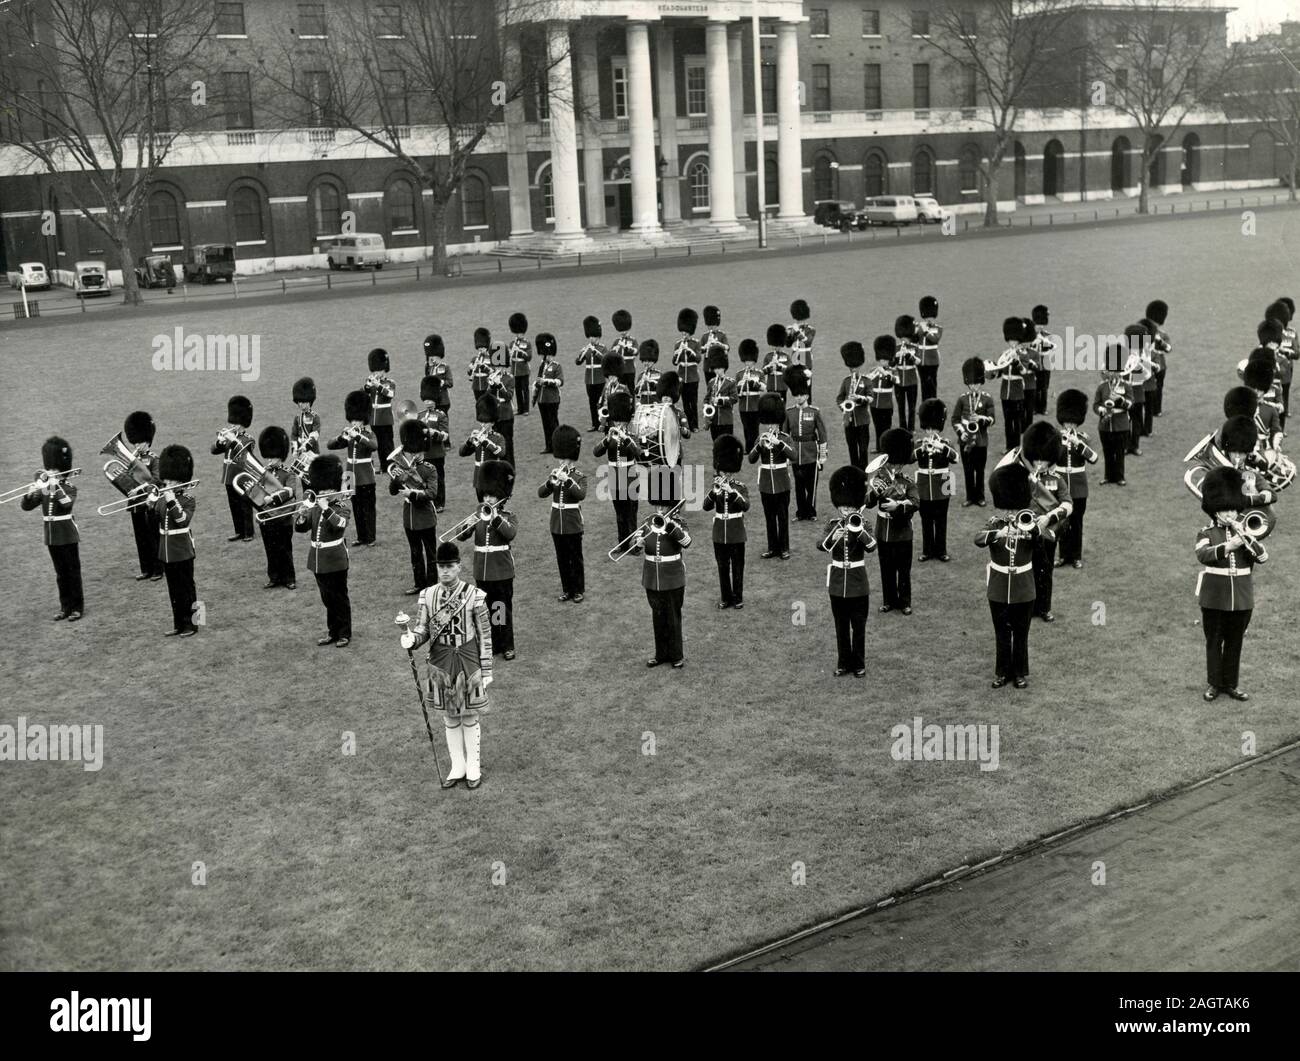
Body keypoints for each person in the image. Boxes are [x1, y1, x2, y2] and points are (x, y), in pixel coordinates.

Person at [399, 541, 494, 790]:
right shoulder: (427, 595)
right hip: (440, 661)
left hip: (468, 660)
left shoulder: (474, 594)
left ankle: (473, 767)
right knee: (450, 717)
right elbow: (423, 629)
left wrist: (487, 670)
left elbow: (484, 634)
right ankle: (457, 766)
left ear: (459, 567)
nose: (445, 571)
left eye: (450, 566)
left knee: (470, 715)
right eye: (441, 567)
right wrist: (412, 638)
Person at [1195, 466, 1265, 703]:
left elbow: (1263, 557)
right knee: (1214, 641)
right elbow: (1203, 555)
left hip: (1242, 598)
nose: (1230, 514)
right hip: (1214, 596)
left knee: (1235, 642)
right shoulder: (1206, 532)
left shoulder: (1245, 532)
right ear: (1215, 512)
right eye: (1225, 510)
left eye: (1233, 509)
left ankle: (1231, 684)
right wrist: (1228, 546)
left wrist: (1246, 539)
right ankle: (1214, 684)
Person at [996, 421, 1073, 622]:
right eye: (1036, 459)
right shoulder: (1023, 478)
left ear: (1051, 460)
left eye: (1044, 460)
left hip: (1046, 531)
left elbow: (1068, 505)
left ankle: (1044, 607)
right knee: (1027, 570)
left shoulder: (1057, 480)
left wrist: (1049, 517)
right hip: (1025, 530)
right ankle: (1028, 607)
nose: (1039, 463)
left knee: (1045, 570)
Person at [976, 463, 1038, 689]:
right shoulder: (995, 523)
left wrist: (1029, 528)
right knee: (1001, 632)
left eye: (1014, 509)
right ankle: (1002, 672)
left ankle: (1019, 673)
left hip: (1023, 587)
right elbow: (978, 538)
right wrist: (999, 533)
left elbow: (1042, 539)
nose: (1011, 513)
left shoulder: (1029, 522)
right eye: (1008, 510)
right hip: (999, 586)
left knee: (1021, 633)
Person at [455, 459, 517, 660]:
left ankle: (506, 644)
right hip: (482, 572)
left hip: (501, 572)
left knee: (501, 609)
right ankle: (493, 644)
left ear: (501, 497)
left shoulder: (508, 516)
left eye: (492, 495)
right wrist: (471, 522)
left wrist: (495, 517)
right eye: (486, 495)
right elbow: (460, 535)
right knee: (486, 610)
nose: (488, 499)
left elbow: (510, 533)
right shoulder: (478, 515)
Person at [818, 465, 876, 677]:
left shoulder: (864, 523)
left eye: (849, 508)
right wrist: (833, 537)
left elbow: (872, 547)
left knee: (858, 627)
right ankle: (843, 663)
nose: (845, 512)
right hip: (837, 583)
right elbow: (821, 546)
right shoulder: (833, 524)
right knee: (841, 627)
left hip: (858, 583)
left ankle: (859, 663)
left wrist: (858, 531)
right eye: (842, 508)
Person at [21, 436, 84, 622]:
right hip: (51, 535)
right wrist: (29, 494)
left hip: (67, 533)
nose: (50, 472)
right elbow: (26, 507)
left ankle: (77, 608)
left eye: (54, 470)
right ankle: (65, 607)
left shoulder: (69, 487)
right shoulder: (45, 488)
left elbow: (66, 504)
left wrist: (55, 487)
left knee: (72, 572)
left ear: (62, 470)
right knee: (60, 573)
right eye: (49, 469)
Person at [295, 453, 352, 647]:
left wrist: (327, 508)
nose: (325, 491)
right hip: (318, 559)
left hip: (335, 558)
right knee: (327, 598)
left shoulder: (341, 505)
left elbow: (340, 525)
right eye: (323, 488)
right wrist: (302, 516)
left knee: (339, 598)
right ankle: (332, 632)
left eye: (328, 488)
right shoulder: (317, 506)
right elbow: (303, 529)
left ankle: (344, 633)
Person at [640, 480, 691, 669]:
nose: (660, 509)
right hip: (652, 577)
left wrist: (670, 526)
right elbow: (636, 547)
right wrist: (638, 545)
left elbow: (686, 542)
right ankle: (660, 654)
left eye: (664, 505)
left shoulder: (679, 522)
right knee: (657, 617)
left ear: (671, 504)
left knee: (672, 617)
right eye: (658, 505)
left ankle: (676, 655)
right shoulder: (648, 521)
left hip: (672, 577)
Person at [868, 428, 919, 615]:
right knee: (886, 569)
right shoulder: (878, 479)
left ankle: (905, 602)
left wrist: (897, 506)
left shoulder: (906, 481)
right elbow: (867, 503)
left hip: (903, 532)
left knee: (903, 570)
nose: (895, 467)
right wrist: (875, 491)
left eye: (897, 464)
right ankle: (889, 600)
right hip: (884, 531)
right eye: (892, 464)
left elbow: (915, 502)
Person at [153, 444, 199, 638]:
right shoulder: (163, 497)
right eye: (167, 479)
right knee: (174, 591)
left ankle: (197, 623)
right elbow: (156, 517)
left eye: (172, 480)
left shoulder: (187, 499)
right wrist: (151, 502)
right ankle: (179, 624)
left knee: (188, 588)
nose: (168, 483)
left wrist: (172, 501)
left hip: (182, 550)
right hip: (167, 550)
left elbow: (181, 520)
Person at [390, 419, 440, 595]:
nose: (412, 455)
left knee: (431, 553)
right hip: (409, 517)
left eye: (415, 452)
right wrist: (397, 479)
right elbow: (392, 491)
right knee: (415, 552)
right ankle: (419, 583)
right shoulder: (401, 467)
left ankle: (433, 585)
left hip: (425, 516)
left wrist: (411, 494)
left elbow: (432, 494)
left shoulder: (429, 469)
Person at [539, 425, 587, 603]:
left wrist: (567, 481)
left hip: (572, 523)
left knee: (575, 558)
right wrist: (550, 483)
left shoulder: (579, 476)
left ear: (572, 459)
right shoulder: (555, 474)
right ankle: (567, 589)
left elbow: (580, 494)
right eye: (560, 459)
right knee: (562, 559)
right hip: (556, 523)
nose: (562, 463)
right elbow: (541, 493)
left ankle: (578, 590)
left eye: (565, 459)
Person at [326, 390, 378, 546]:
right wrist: (341, 437)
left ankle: (370, 537)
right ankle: (361, 537)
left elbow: (374, 446)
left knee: (368, 507)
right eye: (353, 420)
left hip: (366, 475)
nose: (354, 423)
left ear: (363, 420)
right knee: (356, 508)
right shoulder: (348, 433)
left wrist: (358, 436)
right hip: (350, 476)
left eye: (357, 420)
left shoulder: (368, 434)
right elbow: (330, 445)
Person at [593, 391, 643, 555]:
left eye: (621, 420)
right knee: (620, 513)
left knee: (631, 513)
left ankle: (634, 545)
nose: (619, 423)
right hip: (614, 475)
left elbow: (639, 454)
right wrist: (607, 440)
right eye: (617, 420)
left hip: (629, 475)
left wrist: (626, 438)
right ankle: (622, 543)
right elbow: (596, 452)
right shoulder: (610, 435)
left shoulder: (632, 434)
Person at [1054, 390, 1098, 569]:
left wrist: (1077, 443)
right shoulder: (1056, 438)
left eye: (1072, 422)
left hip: (1079, 489)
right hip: (1061, 488)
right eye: (1067, 422)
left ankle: (1076, 556)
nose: (1069, 425)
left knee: (1077, 523)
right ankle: (1063, 555)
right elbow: (1052, 459)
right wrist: (1063, 443)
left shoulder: (1083, 439)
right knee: (1062, 523)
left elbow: (1093, 458)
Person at [704, 435, 748, 610]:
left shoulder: (740, 487)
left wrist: (731, 491)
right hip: (719, 532)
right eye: (724, 473)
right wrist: (714, 492)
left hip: (736, 531)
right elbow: (706, 506)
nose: (726, 476)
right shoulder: (715, 486)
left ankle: (738, 597)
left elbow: (746, 506)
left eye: (729, 473)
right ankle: (725, 597)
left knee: (737, 567)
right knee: (723, 567)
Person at [748, 393, 794, 560]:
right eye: (769, 423)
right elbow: (751, 459)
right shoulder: (761, 438)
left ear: (779, 422)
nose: (771, 427)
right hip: (766, 482)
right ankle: (772, 547)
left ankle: (784, 548)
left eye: (774, 423)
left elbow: (794, 456)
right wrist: (760, 446)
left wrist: (778, 444)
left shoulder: (785, 438)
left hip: (782, 482)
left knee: (782, 517)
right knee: (769, 517)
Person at [914, 398, 959, 562]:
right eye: (927, 429)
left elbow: (956, 458)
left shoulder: (946, 443)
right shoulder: (920, 444)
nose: (930, 432)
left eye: (933, 429)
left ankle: (941, 550)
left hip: (943, 485)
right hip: (924, 487)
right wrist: (922, 449)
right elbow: (910, 458)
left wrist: (942, 448)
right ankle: (927, 551)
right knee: (926, 520)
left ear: (938, 428)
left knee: (941, 520)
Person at [121, 410, 163, 581]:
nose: (137, 446)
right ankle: (146, 568)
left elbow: (157, 479)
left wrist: (139, 489)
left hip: (149, 502)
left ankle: (158, 569)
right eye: (135, 443)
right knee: (141, 538)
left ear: (147, 442)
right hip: (136, 503)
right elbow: (126, 478)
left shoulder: (154, 459)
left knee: (153, 537)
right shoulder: (132, 459)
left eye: (140, 443)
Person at [255, 426, 297, 590]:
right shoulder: (264, 473)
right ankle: (274, 577)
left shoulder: (288, 473)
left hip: (284, 517)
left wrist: (273, 497)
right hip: (267, 518)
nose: (269, 461)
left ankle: (289, 578)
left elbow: (291, 492)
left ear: (280, 457)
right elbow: (257, 493)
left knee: (285, 549)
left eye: (272, 458)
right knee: (270, 549)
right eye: (268, 458)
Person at [784, 364, 828, 521]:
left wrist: (822, 457)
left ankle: (811, 512)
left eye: (801, 395)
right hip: (796, 454)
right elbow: (785, 435)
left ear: (807, 396)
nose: (799, 398)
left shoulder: (814, 412)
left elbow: (822, 435)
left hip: (811, 454)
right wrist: (787, 457)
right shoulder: (789, 413)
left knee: (811, 486)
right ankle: (800, 513)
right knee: (799, 486)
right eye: (796, 395)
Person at [951, 357, 995, 507]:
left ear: (981, 382)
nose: (974, 386)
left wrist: (982, 418)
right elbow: (955, 419)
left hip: (981, 440)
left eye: (976, 383)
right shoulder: (962, 399)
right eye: (971, 384)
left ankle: (980, 496)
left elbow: (992, 419)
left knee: (980, 470)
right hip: (965, 440)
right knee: (968, 470)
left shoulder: (987, 399)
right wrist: (961, 433)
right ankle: (970, 497)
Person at [212, 395, 255, 542]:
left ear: (242, 423)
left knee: (245, 504)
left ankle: (249, 532)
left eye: (236, 423)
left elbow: (243, 452)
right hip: (229, 476)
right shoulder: (230, 436)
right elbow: (213, 450)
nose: (233, 426)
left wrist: (232, 440)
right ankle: (239, 531)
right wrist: (220, 441)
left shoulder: (248, 439)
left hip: (242, 476)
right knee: (234, 505)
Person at [1094, 341, 1133, 486]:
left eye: (1115, 371)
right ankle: (1108, 476)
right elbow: (1095, 404)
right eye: (1110, 371)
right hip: (1105, 425)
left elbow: (1130, 404)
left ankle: (1120, 477)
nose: (1112, 373)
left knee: (1119, 452)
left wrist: (1121, 400)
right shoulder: (1102, 387)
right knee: (1108, 452)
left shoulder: (1126, 386)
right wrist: (1101, 410)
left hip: (1121, 424)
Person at [988, 318, 1028, 451]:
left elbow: (1024, 371)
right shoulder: (1004, 354)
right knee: (1007, 422)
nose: (1012, 343)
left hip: (1017, 393)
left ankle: (1016, 447)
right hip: (1005, 392)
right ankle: (1008, 446)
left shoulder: (1023, 354)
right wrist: (992, 372)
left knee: (1016, 422)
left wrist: (1017, 361)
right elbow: (1000, 372)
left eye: (1015, 340)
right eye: (1010, 340)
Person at [459, 393, 508, 503]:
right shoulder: (477, 436)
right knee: (482, 506)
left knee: (494, 506)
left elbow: (501, 453)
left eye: (486, 422)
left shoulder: (498, 437)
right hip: (478, 477)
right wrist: (469, 441)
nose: (483, 425)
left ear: (492, 422)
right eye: (481, 422)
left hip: (492, 476)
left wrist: (485, 442)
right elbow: (462, 453)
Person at [836, 340, 872, 470]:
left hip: (862, 421)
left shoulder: (866, 381)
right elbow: (839, 398)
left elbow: (870, 398)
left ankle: (864, 473)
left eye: (855, 368)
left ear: (859, 366)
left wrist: (859, 398)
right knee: (852, 450)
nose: (853, 370)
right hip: (849, 421)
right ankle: (855, 472)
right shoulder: (846, 381)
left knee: (863, 450)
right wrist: (844, 406)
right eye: (852, 368)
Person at [418, 376, 451, 511]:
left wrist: (432, 433)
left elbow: (444, 435)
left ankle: (440, 503)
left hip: (436, 453)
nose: (428, 402)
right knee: (423, 479)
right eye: (426, 400)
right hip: (424, 454)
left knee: (438, 479)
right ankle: (427, 501)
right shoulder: (419, 415)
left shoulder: (441, 415)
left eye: (430, 400)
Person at [364, 347, 397, 473]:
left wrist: (378, 385)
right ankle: (384, 467)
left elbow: (390, 394)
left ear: (385, 370)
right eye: (376, 370)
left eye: (380, 370)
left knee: (387, 444)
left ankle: (392, 466)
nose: (378, 373)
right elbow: (365, 393)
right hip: (374, 418)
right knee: (379, 445)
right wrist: (368, 385)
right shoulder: (372, 382)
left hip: (385, 418)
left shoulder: (390, 382)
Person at [532, 332, 564, 454]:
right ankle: (549, 446)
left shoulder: (557, 366)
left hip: (552, 399)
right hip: (542, 399)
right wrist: (536, 384)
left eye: (548, 355)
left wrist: (546, 381)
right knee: (546, 424)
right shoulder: (542, 366)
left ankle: (558, 447)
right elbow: (539, 379)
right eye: (545, 355)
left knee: (553, 424)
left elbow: (560, 382)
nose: (546, 357)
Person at [673, 308, 703, 430]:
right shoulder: (677, 344)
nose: (684, 334)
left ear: (690, 332)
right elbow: (674, 362)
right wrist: (679, 352)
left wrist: (689, 351)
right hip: (681, 376)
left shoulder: (695, 343)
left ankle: (694, 425)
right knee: (685, 402)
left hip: (692, 377)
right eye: (683, 332)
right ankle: (688, 424)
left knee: (693, 402)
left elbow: (698, 359)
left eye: (686, 332)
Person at [577, 315, 607, 431]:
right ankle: (594, 424)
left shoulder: (602, 348)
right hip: (589, 379)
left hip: (599, 379)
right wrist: (582, 354)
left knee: (600, 402)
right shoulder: (587, 348)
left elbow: (605, 359)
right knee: (592, 402)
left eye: (593, 337)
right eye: (589, 336)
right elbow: (578, 362)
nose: (591, 339)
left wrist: (596, 352)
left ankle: (602, 423)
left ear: (597, 337)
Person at [290, 377, 321, 489]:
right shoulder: (297, 418)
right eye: (299, 402)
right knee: (304, 483)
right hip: (302, 454)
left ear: (309, 401)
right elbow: (294, 435)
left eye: (303, 402)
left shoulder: (315, 417)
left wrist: (305, 446)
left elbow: (315, 435)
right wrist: (295, 448)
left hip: (312, 453)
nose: (301, 405)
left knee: (313, 481)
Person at [735, 339, 766, 451]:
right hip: (743, 406)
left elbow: (763, 388)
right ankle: (748, 449)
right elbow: (735, 392)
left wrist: (753, 382)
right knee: (746, 428)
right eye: (746, 361)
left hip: (755, 405)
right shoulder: (739, 374)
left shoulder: (759, 373)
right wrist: (740, 385)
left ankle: (756, 448)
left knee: (754, 429)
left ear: (754, 361)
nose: (748, 363)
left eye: (750, 361)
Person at [892, 314, 921, 431]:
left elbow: (918, 361)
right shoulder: (896, 348)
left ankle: (911, 428)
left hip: (911, 380)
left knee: (912, 407)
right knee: (901, 407)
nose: (904, 340)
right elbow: (892, 365)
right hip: (899, 380)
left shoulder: (914, 347)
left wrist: (910, 356)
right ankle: (903, 427)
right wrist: (896, 357)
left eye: (906, 337)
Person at [869, 336, 897, 454]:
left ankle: (887, 448)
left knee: (886, 428)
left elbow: (896, 381)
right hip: (875, 404)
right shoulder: (873, 370)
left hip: (886, 404)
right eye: (881, 360)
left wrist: (885, 373)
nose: (883, 362)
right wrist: (876, 372)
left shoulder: (892, 371)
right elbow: (867, 381)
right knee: (877, 427)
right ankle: (879, 447)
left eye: (885, 360)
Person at [703, 347, 737, 440]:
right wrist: (706, 407)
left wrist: (721, 400)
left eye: (719, 368)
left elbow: (734, 398)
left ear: (724, 368)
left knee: (727, 444)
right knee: (716, 442)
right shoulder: (711, 382)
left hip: (726, 419)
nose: (717, 371)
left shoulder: (730, 382)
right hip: (714, 420)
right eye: (715, 369)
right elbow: (707, 398)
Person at [1029, 305, 1057, 416]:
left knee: (1044, 387)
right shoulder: (1029, 336)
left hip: (1045, 364)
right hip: (1034, 364)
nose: (1040, 327)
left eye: (1042, 324)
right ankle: (1035, 408)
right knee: (1034, 386)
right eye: (1038, 324)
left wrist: (1045, 342)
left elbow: (1054, 347)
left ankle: (1043, 407)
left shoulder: (1047, 335)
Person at [1146, 298, 1172, 418]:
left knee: (1159, 387)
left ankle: (1156, 409)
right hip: (1148, 364)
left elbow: (1168, 349)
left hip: (1160, 365)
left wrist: (1160, 342)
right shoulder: (1145, 333)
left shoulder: (1162, 335)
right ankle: (1150, 409)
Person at [422, 334, 454, 428]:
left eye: (433, 356)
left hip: (442, 400)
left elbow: (450, 383)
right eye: (430, 356)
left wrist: (441, 382)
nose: (431, 358)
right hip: (432, 401)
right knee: (432, 424)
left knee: (442, 424)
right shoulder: (428, 367)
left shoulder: (445, 367)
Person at [916, 294, 942, 402]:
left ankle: (933, 403)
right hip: (921, 361)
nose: (929, 319)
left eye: (930, 317)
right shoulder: (919, 327)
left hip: (932, 361)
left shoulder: (938, 328)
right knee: (923, 384)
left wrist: (925, 331)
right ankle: (925, 405)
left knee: (932, 383)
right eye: (927, 317)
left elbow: (935, 339)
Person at [507, 312, 532, 415]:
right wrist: (511, 352)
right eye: (517, 333)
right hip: (515, 370)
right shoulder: (512, 343)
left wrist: (520, 352)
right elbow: (509, 358)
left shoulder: (527, 343)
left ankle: (526, 409)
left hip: (523, 370)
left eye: (520, 333)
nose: (518, 335)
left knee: (525, 390)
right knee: (517, 391)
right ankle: (520, 409)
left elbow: (529, 357)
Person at [611, 308, 639, 395]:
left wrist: (627, 348)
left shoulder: (633, 340)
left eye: (624, 330)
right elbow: (610, 354)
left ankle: (632, 408)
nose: (623, 332)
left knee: (631, 390)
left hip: (630, 370)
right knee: (620, 390)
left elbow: (636, 351)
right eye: (621, 330)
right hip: (620, 370)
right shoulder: (616, 341)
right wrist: (614, 350)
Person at [762, 324, 791, 403]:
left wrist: (779, 366)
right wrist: (769, 366)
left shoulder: (786, 356)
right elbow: (763, 371)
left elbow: (789, 371)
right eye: (773, 345)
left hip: (782, 387)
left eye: (777, 346)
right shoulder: (768, 356)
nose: (775, 347)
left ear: (781, 345)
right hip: (771, 386)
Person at [634, 338, 662, 408]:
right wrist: (639, 385)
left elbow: (661, 389)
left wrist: (650, 381)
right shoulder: (641, 375)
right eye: (644, 361)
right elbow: (637, 392)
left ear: (653, 361)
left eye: (649, 361)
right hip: (644, 404)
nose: (646, 363)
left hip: (655, 403)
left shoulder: (658, 374)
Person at [468, 328, 494, 400]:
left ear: (486, 347)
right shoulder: (474, 359)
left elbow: (492, 371)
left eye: (482, 347)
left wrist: (482, 366)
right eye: (479, 348)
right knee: (478, 404)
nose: (480, 349)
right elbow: (470, 373)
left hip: (485, 385)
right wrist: (470, 369)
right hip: (476, 385)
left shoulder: (490, 358)